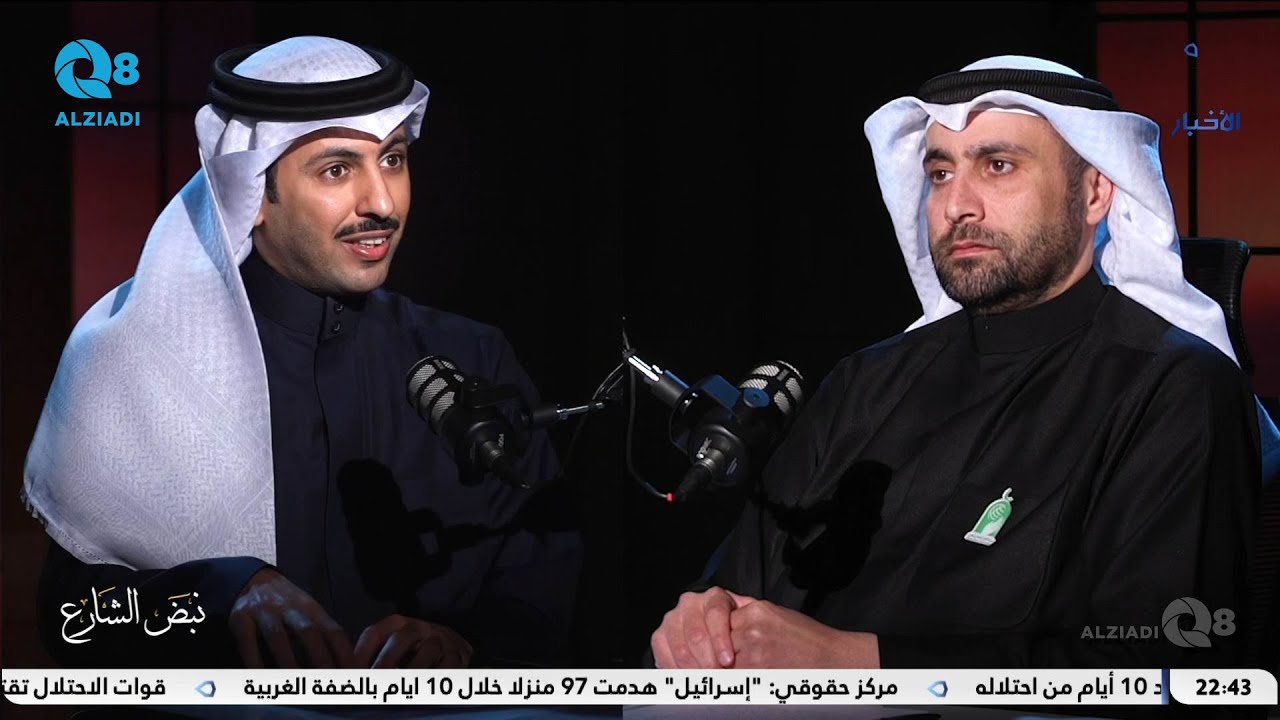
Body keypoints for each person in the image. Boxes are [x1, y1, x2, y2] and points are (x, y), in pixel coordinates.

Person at [650, 55, 1279, 672]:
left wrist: (859, 665)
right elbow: (739, 585)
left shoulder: (1174, 388)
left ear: (1094, 193)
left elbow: (1168, 665)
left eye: (998, 166)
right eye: (941, 173)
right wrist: (703, 621)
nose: (957, 206)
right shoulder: (865, 383)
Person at [26, 36, 581, 670]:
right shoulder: (135, 359)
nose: (382, 203)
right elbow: (71, 619)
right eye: (337, 170)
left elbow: (544, 575)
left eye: (393, 160)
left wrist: (465, 645)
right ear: (252, 195)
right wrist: (221, 593)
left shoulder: (473, 358)